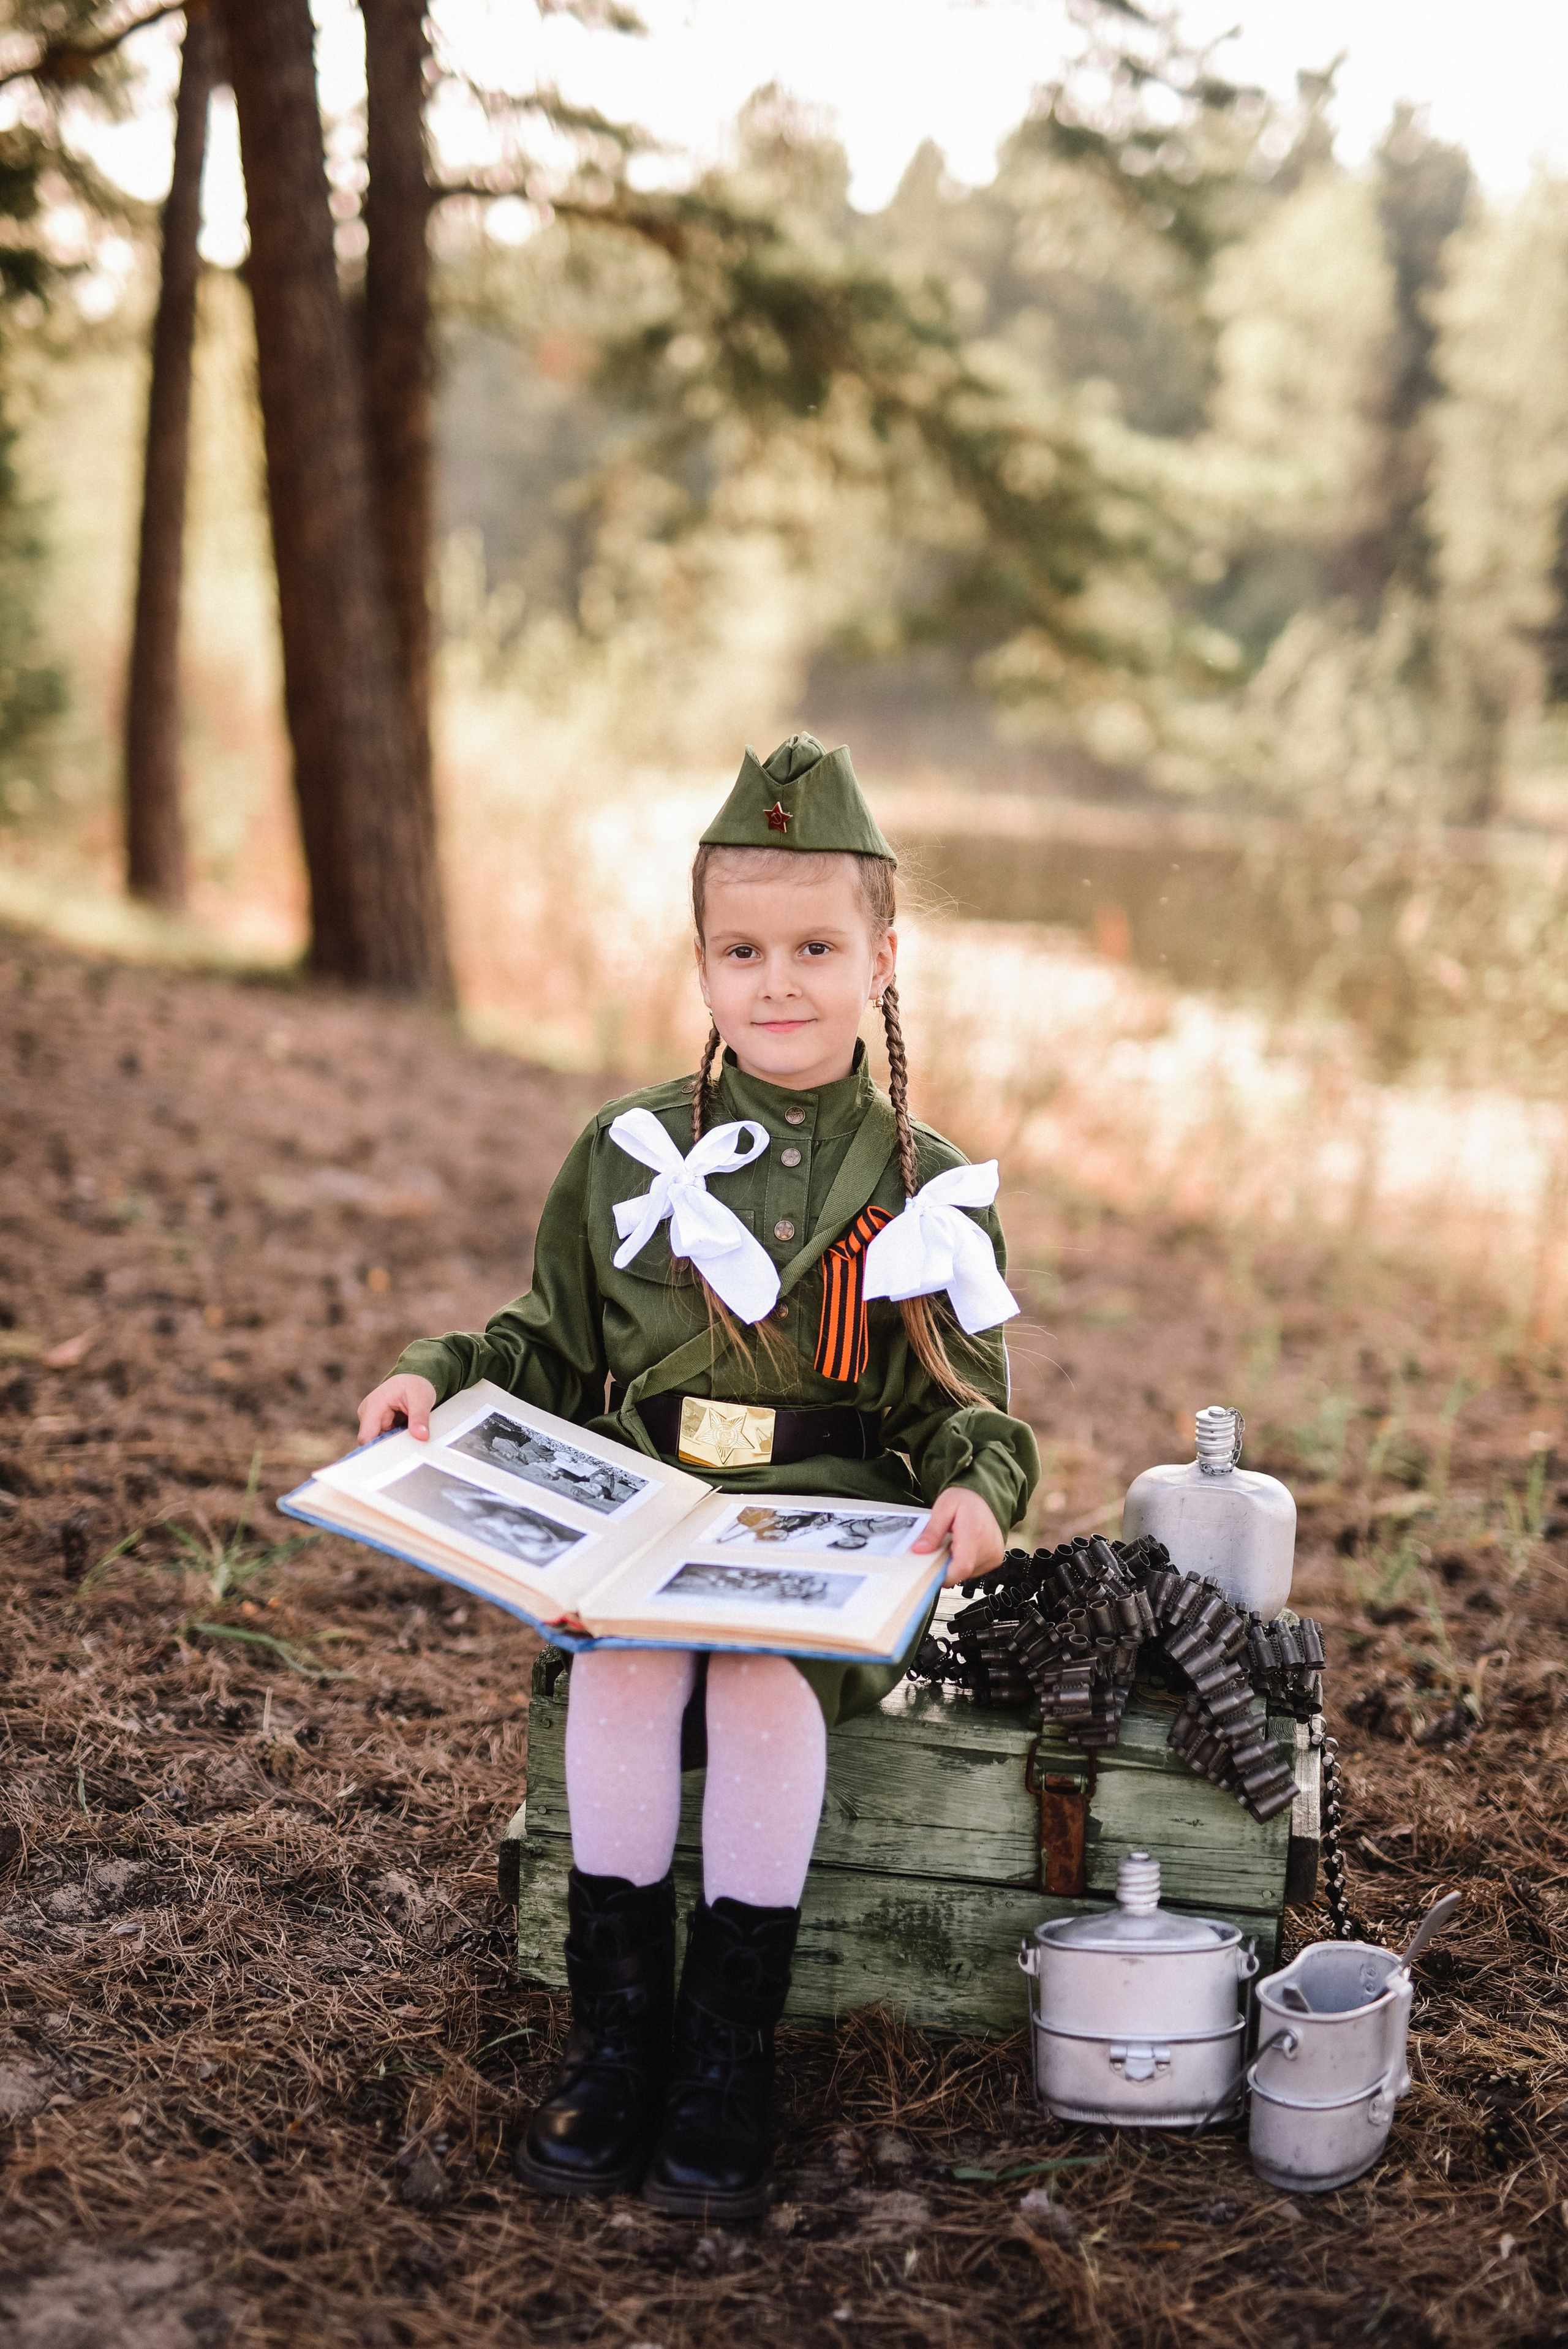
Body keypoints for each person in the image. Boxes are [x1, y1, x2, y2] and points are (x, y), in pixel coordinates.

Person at [355, 733, 1040, 2218]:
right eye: (741, 948)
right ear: (701, 959)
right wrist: (438, 1375)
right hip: (649, 1504)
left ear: (881, 953)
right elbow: (544, 1338)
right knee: (618, 1668)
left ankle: (728, 2052)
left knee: (749, 1677)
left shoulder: (928, 1184)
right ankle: (617, 2044)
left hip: (834, 1527)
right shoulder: (625, 1150)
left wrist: (976, 1493)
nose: (775, 981)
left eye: (812, 945)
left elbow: (960, 1410)